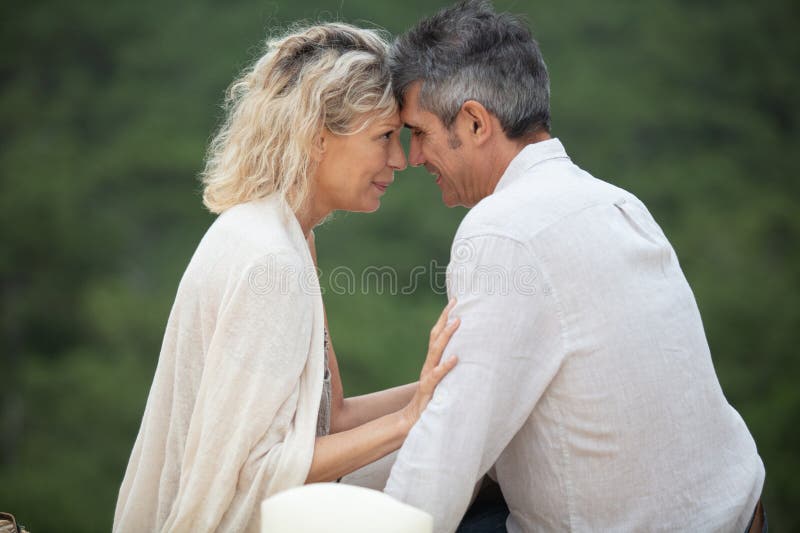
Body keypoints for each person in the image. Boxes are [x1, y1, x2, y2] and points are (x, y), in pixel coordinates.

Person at [383, 2, 766, 532]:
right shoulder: (619, 203)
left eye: (419, 132)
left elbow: (446, 454)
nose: (413, 156)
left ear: (474, 122)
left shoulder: (502, 229)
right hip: (741, 514)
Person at [113, 23, 459, 533]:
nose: (400, 159)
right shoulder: (269, 261)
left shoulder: (281, 233)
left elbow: (332, 420)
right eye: (384, 137)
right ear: (317, 136)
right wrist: (408, 421)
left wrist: (451, 385)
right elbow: (253, 475)